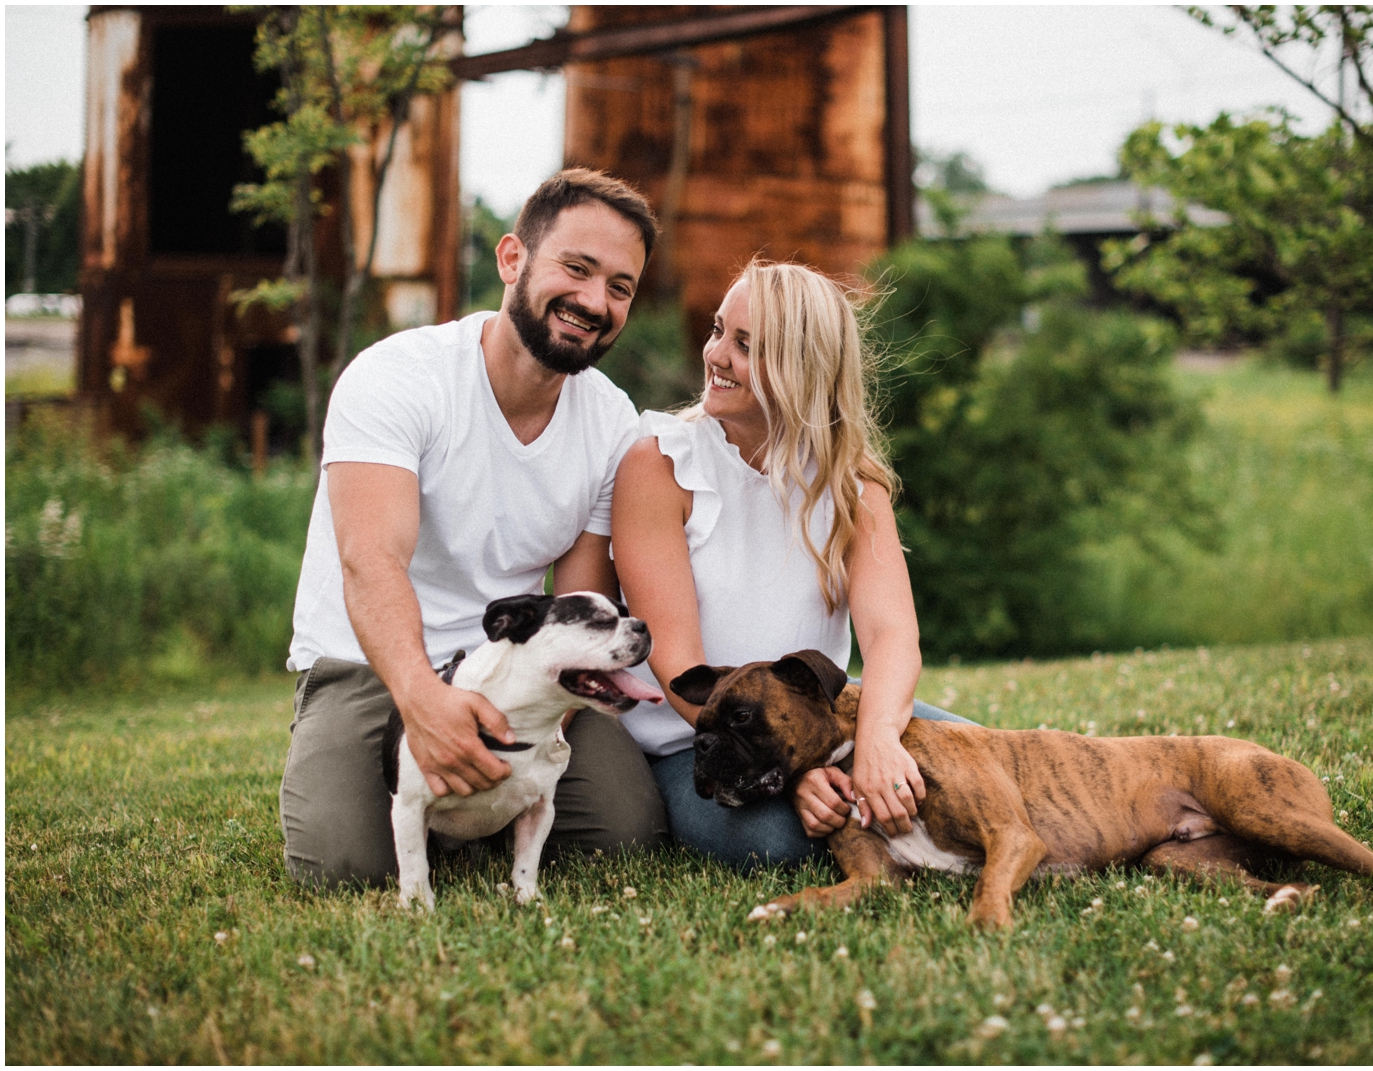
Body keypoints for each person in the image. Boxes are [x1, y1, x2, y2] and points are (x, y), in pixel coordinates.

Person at [279, 169, 672, 890]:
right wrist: (424, 703)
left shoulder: (613, 422)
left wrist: (565, 698)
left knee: (623, 834)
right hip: (376, 660)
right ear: (512, 259)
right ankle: (437, 798)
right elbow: (371, 562)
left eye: (620, 287)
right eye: (576, 269)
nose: (594, 302)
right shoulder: (397, 377)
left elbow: (580, 604)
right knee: (339, 864)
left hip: (516, 664)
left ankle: (480, 808)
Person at [611, 261, 970, 870]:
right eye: (719, 331)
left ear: (802, 368)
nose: (716, 354)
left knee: (976, 766)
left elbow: (892, 636)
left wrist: (878, 740)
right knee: (782, 846)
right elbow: (678, 663)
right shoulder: (660, 465)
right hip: (697, 737)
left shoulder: (853, 482)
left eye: (745, 345)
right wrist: (783, 766)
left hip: (822, 723)